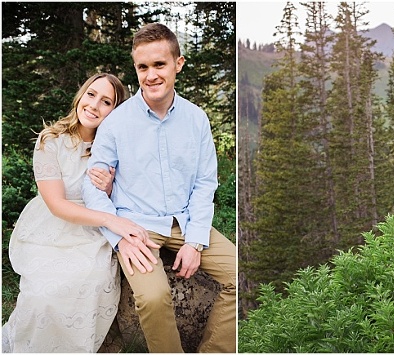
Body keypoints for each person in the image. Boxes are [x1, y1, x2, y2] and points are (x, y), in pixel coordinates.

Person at [82, 23, 236, 353]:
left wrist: (195, 241)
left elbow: (204, 183)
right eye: (143, 67)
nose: (151, 75)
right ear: (136, 69)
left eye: (159, 65)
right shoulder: (116, 123)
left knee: (240, 273)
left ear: (177, 64)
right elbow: (93, 187)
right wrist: (120, 237)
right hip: (137, 228)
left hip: (184, 222)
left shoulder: (196, 119)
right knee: (153, 296)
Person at [2, 73, 153, 352]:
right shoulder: (51, 140)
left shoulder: (112, 149)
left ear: (114, 111)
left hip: (92, 232)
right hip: (52, 227)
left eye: (106, 101)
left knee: (90, 279)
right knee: (42, 296)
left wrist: (109, 189)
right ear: (80, 96)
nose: (94, 105)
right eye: (91, 95)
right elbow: (57, 204)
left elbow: (131, 195)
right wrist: (111, 219)